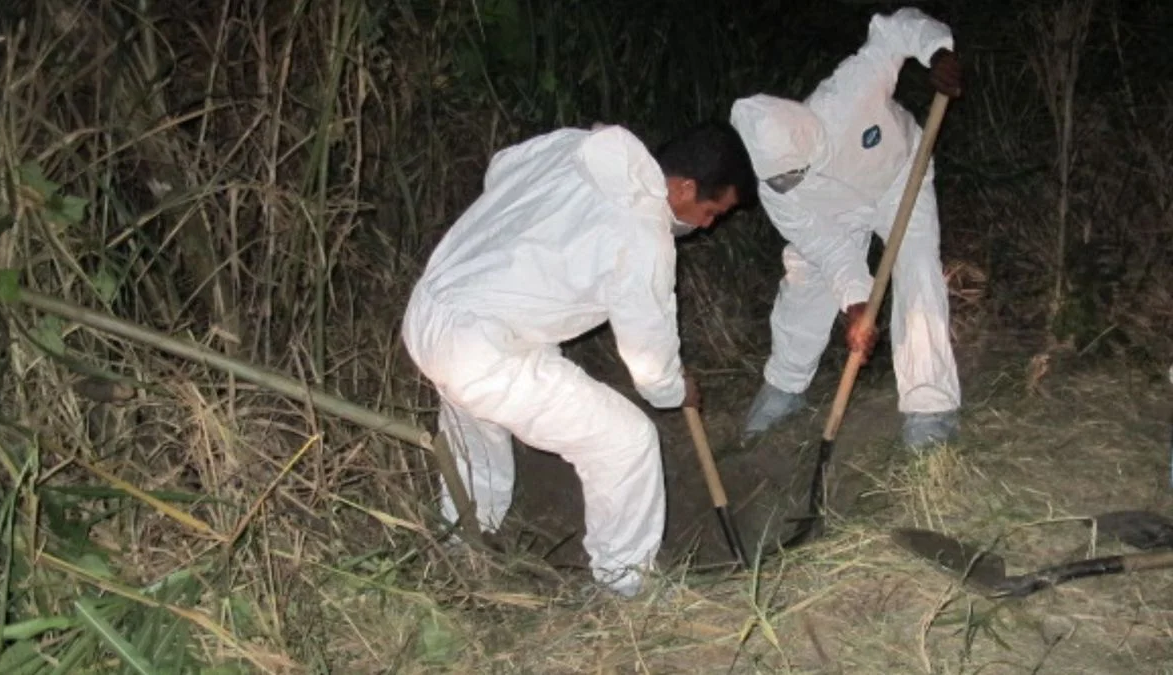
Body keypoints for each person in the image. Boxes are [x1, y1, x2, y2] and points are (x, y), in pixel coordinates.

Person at [401, 121, 757, 597]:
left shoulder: (577, 145)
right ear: (684, 187)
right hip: (483, 347)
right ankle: (625, 585)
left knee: (476, 432)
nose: (709, 225)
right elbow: (651, 368)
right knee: (625, 442)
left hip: (429, 311)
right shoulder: (642, 232)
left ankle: (460, 544)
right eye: (711, 212)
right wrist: (677, 389)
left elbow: (501, 169)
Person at [729, 7, 964, 451]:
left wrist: (936, 52)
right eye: (776, 180)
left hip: (900, 178)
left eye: (792, 174)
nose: (786, 185)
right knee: (806, 278)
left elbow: (892, 31)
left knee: (917, 271)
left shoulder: (848, 95)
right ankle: (785, 386)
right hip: (836, 213)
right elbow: (829, 249)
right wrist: (857, 304)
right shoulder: (778, 191)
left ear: (810, 143)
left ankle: (930, 408)